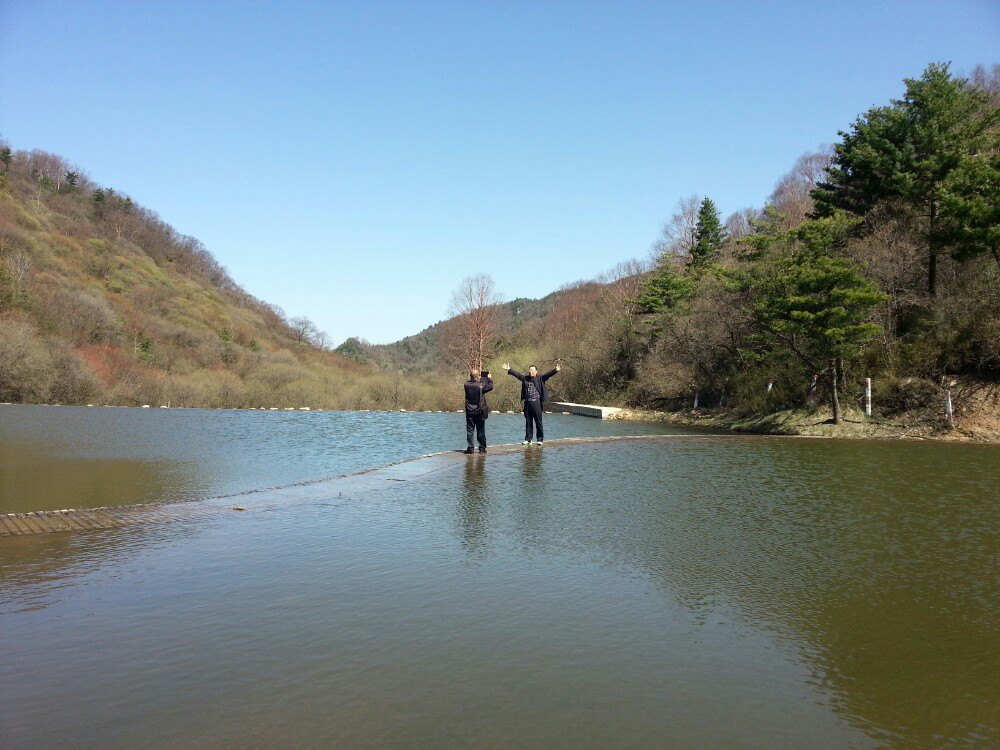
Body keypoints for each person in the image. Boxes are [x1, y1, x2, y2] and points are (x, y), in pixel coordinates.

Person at [502, 361, 560, 445]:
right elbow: (517, 374)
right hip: (527, 403)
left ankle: (540, 439)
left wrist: (555, 370)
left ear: (536, 371)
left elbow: (548, 374)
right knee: (528, 422)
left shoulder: (540, 378)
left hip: (536, 403)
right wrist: (509, 369)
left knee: (538, 422)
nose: (531, 372)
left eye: (533, 371)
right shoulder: (525, 378)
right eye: (530, 370)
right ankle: (528, 439)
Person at [463, 369, 493, 454]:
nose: (480, 376)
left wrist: (477, 378)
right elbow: (490, 387)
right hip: (480, 411)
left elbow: (473, 382)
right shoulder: (481, 386)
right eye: (479, 375)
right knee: (480, 430)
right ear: (476, 376)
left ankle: (470, 448)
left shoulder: (466, 385)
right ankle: (482, 448)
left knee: (470, 430)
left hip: (469, 411)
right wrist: (489, 379)